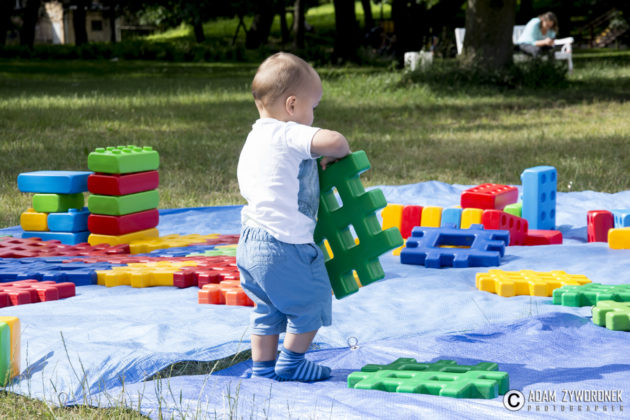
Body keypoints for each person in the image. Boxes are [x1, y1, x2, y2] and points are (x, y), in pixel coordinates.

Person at [236, 52, 351, 382]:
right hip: (284, 245)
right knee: (313, 301)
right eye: (313, 107)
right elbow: (336, 141)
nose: (313, 116)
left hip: (249, 243)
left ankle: (262, 369)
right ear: (291, 105)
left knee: (267, 310)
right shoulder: (287, 133)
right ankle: (293, 361)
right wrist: (337, 152)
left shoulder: (254, 137)